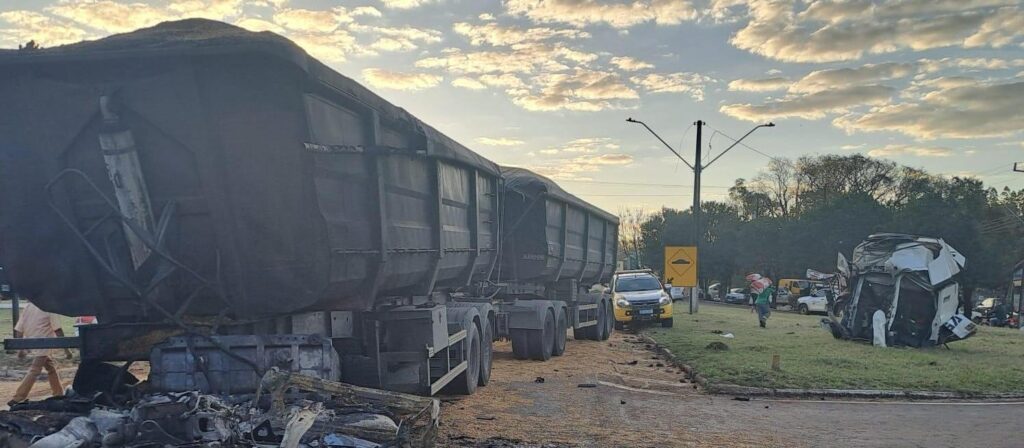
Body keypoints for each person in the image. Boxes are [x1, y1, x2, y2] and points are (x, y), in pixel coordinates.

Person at [10, 303, 70, 405]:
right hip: (44, 343)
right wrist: (66, 350)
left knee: (50, 368)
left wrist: (21, 347)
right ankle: (18, 398)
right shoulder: (50, 307)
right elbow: (58, 329)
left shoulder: (29, 306)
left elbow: (19, 329)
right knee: (35, 370)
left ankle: (58, 393)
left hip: (32, 341)